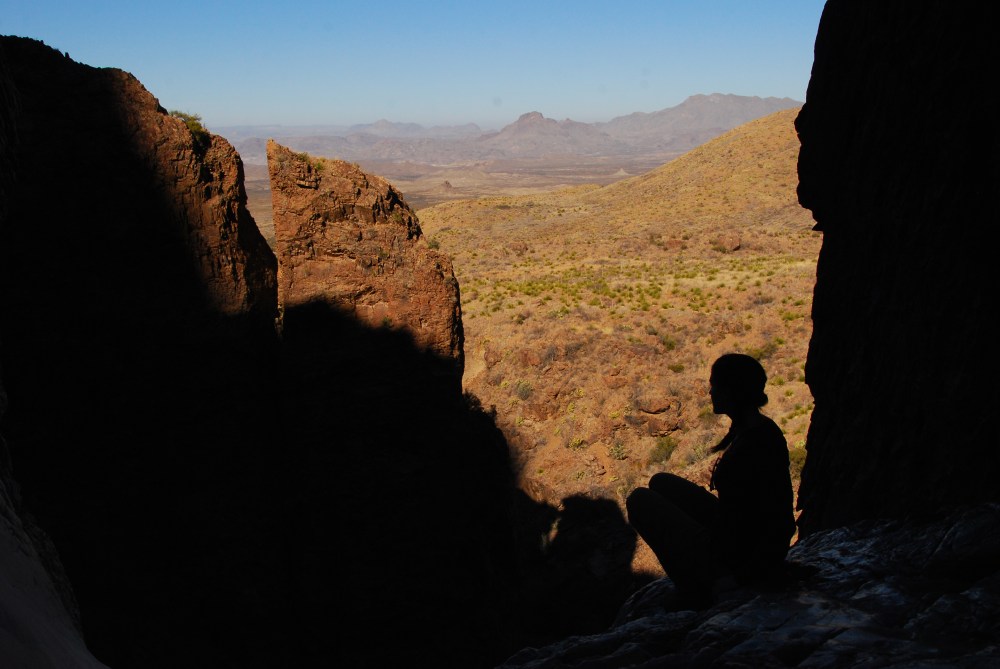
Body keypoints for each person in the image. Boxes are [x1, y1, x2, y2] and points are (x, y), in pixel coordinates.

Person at [626, 353, 796, 608]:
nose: (710, 392)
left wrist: (740, 577)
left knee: (639, 500)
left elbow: (779, 519)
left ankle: (695, 590)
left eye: (715, 385)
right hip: (733, 532)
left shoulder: (760, 441)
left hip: (734, 555)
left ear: (732, 391)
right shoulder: (749, 428)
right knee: (660, 481)